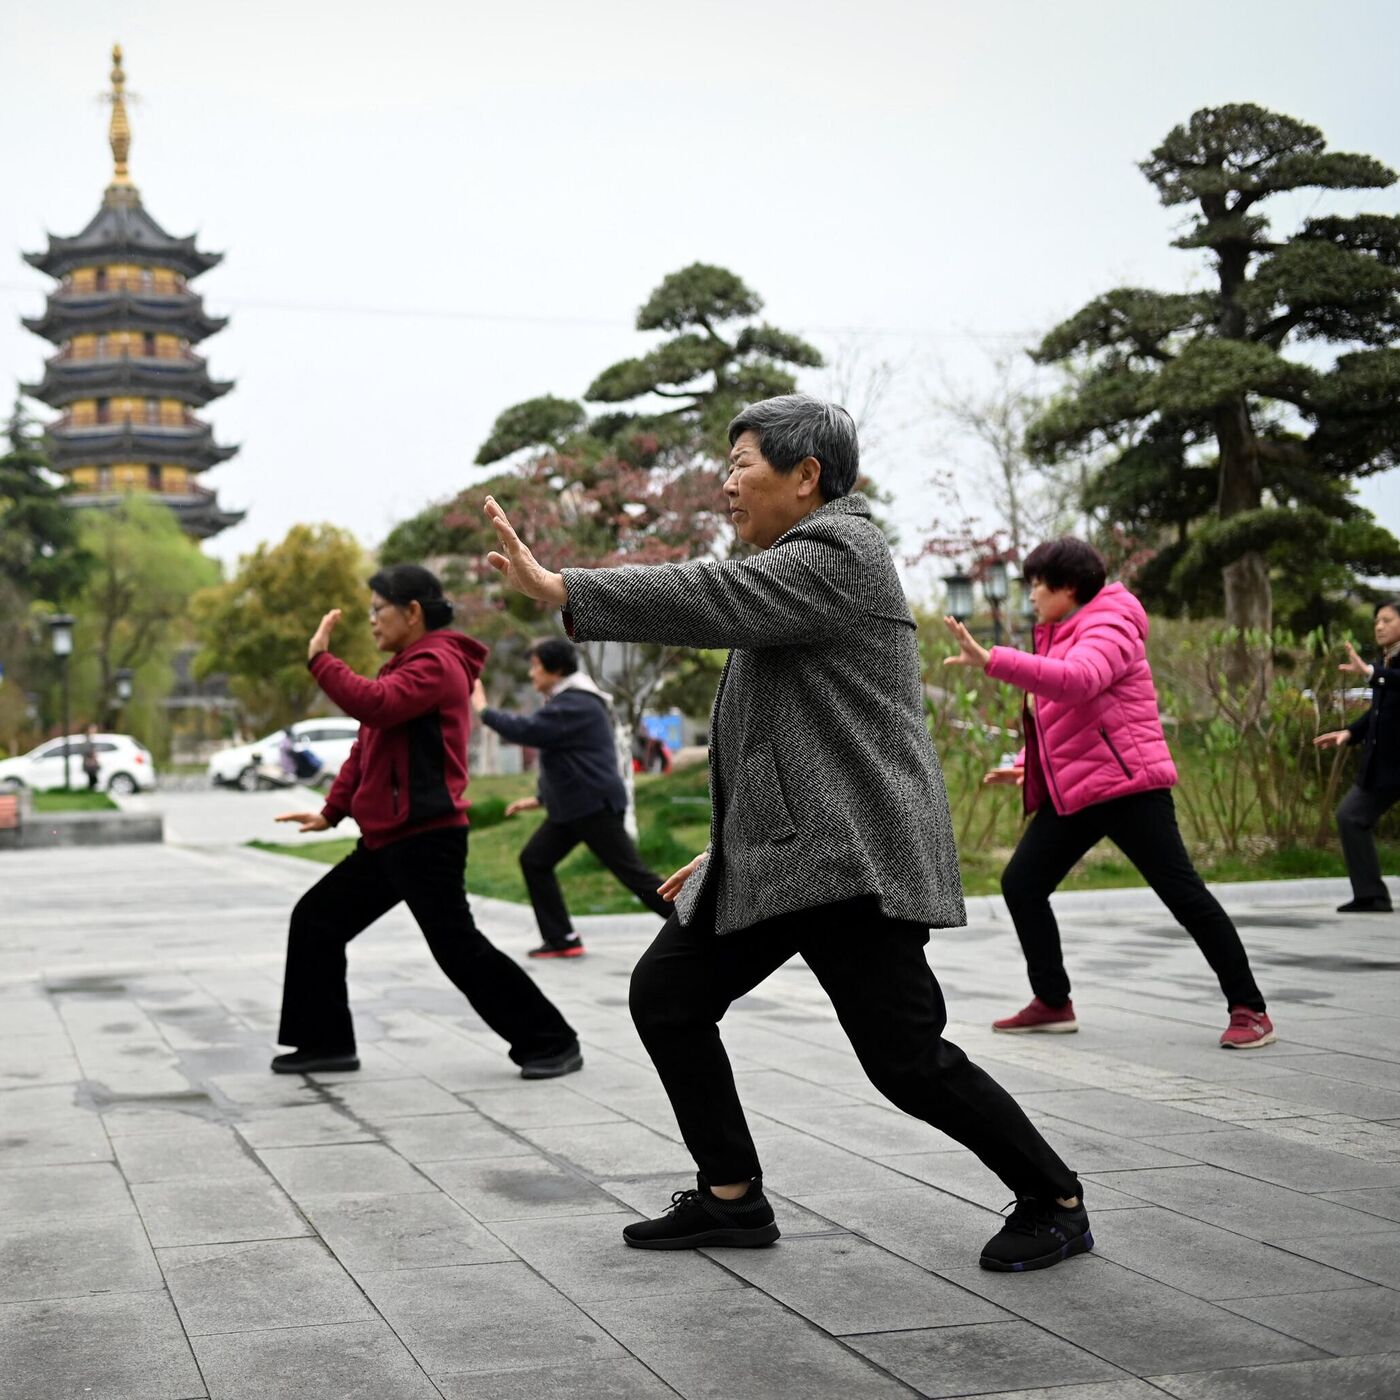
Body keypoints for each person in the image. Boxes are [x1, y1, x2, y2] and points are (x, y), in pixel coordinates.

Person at [485, 394, 1093, 1274]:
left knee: (904, 1059)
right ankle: (732, 1197)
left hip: (847, 858)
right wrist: (728, 842)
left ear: (807, 477)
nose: (726, 485)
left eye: (741, 465)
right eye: (726, 467)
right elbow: (780, 737)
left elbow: (710, 593)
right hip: (780, 856)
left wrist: (563, 589)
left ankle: (1056, 1197)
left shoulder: (840, 552)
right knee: (669, 996)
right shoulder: (792, 570)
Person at [943, 537, 1275, 1050]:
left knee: (1182, 894)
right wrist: (1029, 764)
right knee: (1022, 883)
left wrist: (994, 660)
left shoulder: (1111, 622)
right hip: (1081, 790)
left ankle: (1249, 1008)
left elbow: (1078, 683)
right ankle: (1053, 1002)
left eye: (1037, 584)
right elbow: (1070, 718)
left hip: (1129, 788)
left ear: (1068, 587)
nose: (1030, 595)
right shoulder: (1059, 630)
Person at [269, 564, 582, 1080]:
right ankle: (325, 1044)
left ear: (412, 612)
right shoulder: (406, 664)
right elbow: (367, 743)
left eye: (378, 611)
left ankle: (552, 1040)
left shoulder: (437, 663)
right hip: (391, 837)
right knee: (316, 920)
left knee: (458, 948)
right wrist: (332, 810)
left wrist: (321, 661)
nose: (372, 622)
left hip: (426, 837)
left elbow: (375, 705)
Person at [471, 637, 670, 958]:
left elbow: (528, 730)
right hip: (575, 808)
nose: (531, 675)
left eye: (535, 667)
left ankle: (697, 929)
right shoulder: (569, 703)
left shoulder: (576, 703)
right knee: (535, 860)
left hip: (593, 807)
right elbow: (569, 760)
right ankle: (562, 938)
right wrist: (539, 798)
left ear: (557, 669)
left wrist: (483, 711)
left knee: (636, 877)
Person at [1314, 600, 1400, 913]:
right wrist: (1349, 732)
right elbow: (1381, 710)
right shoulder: (1386, 661)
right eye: (1377, 620)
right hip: (1385, 765)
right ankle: (1371, 895)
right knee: (1350, 817)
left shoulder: (1385, 667)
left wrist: (1372, 673)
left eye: (1387, 620)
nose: (1379, 626)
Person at [80, 724, 101, 792]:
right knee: (92, 777)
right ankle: (91, 790)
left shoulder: (93, 738)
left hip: (92, 761)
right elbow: (87, 751)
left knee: (93, 778)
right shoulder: (88, 739)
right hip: (90, 761)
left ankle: (91, 790)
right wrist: (91, 758)